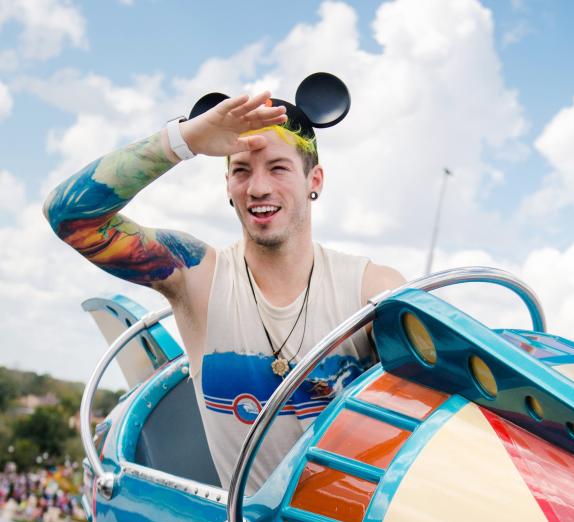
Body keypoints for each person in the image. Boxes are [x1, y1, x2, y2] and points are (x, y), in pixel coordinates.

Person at [43, 91, 405, 492]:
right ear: (228, 184)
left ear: (313, 180)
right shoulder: (198, 277)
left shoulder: (371, 290)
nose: (258, 187)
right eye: (242, 171)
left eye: (279, 168)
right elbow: (69, 216)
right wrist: (187, 140)